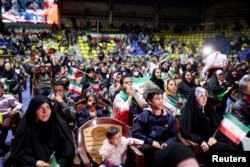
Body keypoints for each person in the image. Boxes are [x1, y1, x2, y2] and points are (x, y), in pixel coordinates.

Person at [11, 95, 75, 167]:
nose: (45, 111)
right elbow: (17, 155)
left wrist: (59, 164)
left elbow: (69, 149)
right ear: (33, 111)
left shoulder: (60, 125)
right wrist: (35, 162)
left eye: (48, 107)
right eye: (40, 108)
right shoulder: (26, 128)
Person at [180, 87, 236, 162]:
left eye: (205, 95)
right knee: (228, 150)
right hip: (204, 143)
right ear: (196, 98)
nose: (204, 98)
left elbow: (218, 124)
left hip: (214, 138)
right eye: (201, 96)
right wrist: (201, 141)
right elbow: (186, 131)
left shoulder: (208, 108)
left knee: (231, 143)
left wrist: (215, 137)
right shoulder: (189, 111)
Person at [131, 88, 178, 167]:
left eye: (161, 98)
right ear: (149, 101)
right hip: (149, 146)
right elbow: (135, 132)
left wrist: (167, 143)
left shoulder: (170, 118)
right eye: (157, 99)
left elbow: (174, 136)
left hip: (164, 145)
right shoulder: (145, 115)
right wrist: (151, 142)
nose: (160, 101)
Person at [0, 83, 22, 155]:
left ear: (3, 89)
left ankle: (2, 144)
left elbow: (19, 104)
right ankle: (2, 144)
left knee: (4, 126)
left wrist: (15, 108)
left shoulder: (8, 97)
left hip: (7, 115)